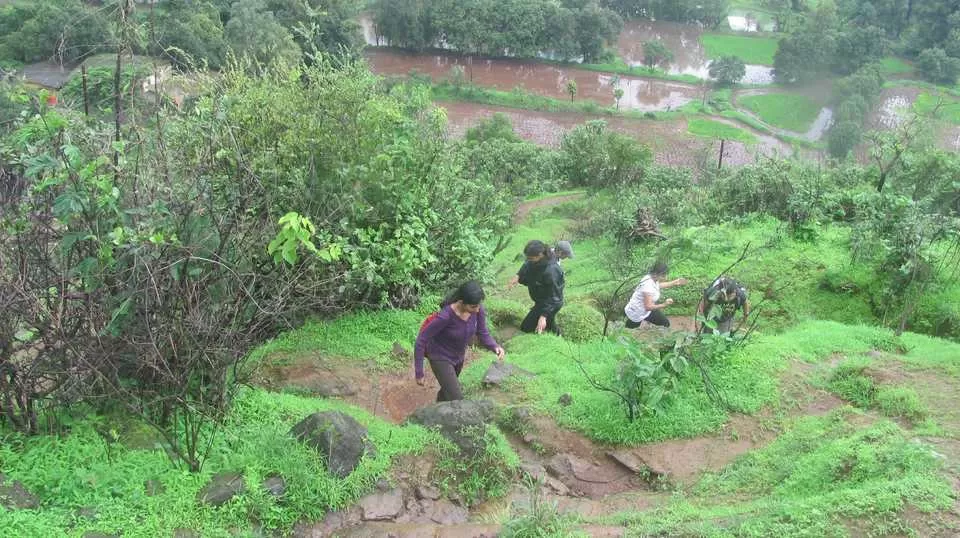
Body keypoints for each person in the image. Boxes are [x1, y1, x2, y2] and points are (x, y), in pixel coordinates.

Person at [414, 281, 505, 402]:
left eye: (479, 305)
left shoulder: (477, 310)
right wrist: (419, 372)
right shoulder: (445, 316)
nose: (477, 309)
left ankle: (437, 408)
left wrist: (495, 346)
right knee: (457, 398)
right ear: (462, 302)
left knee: (448, 391)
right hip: (440, 356)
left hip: (458, 358)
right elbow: (421, 340)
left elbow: (482, 332)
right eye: (473, 306)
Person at [515, 240, 565, 335]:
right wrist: (518, 275)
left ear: (540, 254)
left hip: (552, 303)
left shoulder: (551, 271)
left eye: (530, 258)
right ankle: (556, 332)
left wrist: (543, 316)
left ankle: (556, 335)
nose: (528, 260)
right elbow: (526, 264)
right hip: (541, 301)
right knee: (548, 321)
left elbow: (554, 297)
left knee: (526, 328)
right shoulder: (536, 262)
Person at [623, 262, 687, 328]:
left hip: (645, 310)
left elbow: (657, 286)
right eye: (663, 276)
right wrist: (664, 304)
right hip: (637, 312)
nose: (665, 278)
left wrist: (675, 282)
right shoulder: (647, 285)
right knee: (629, 329)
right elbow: (648, 307)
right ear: (656, 274)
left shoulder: (651, 278)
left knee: (665, 323)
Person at [508, 240, 573, 288]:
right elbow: (528, 262)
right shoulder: (544, 256)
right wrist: (518, 275)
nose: (566, 257)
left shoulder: (554, 259)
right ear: (560, 252)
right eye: (566, 255)